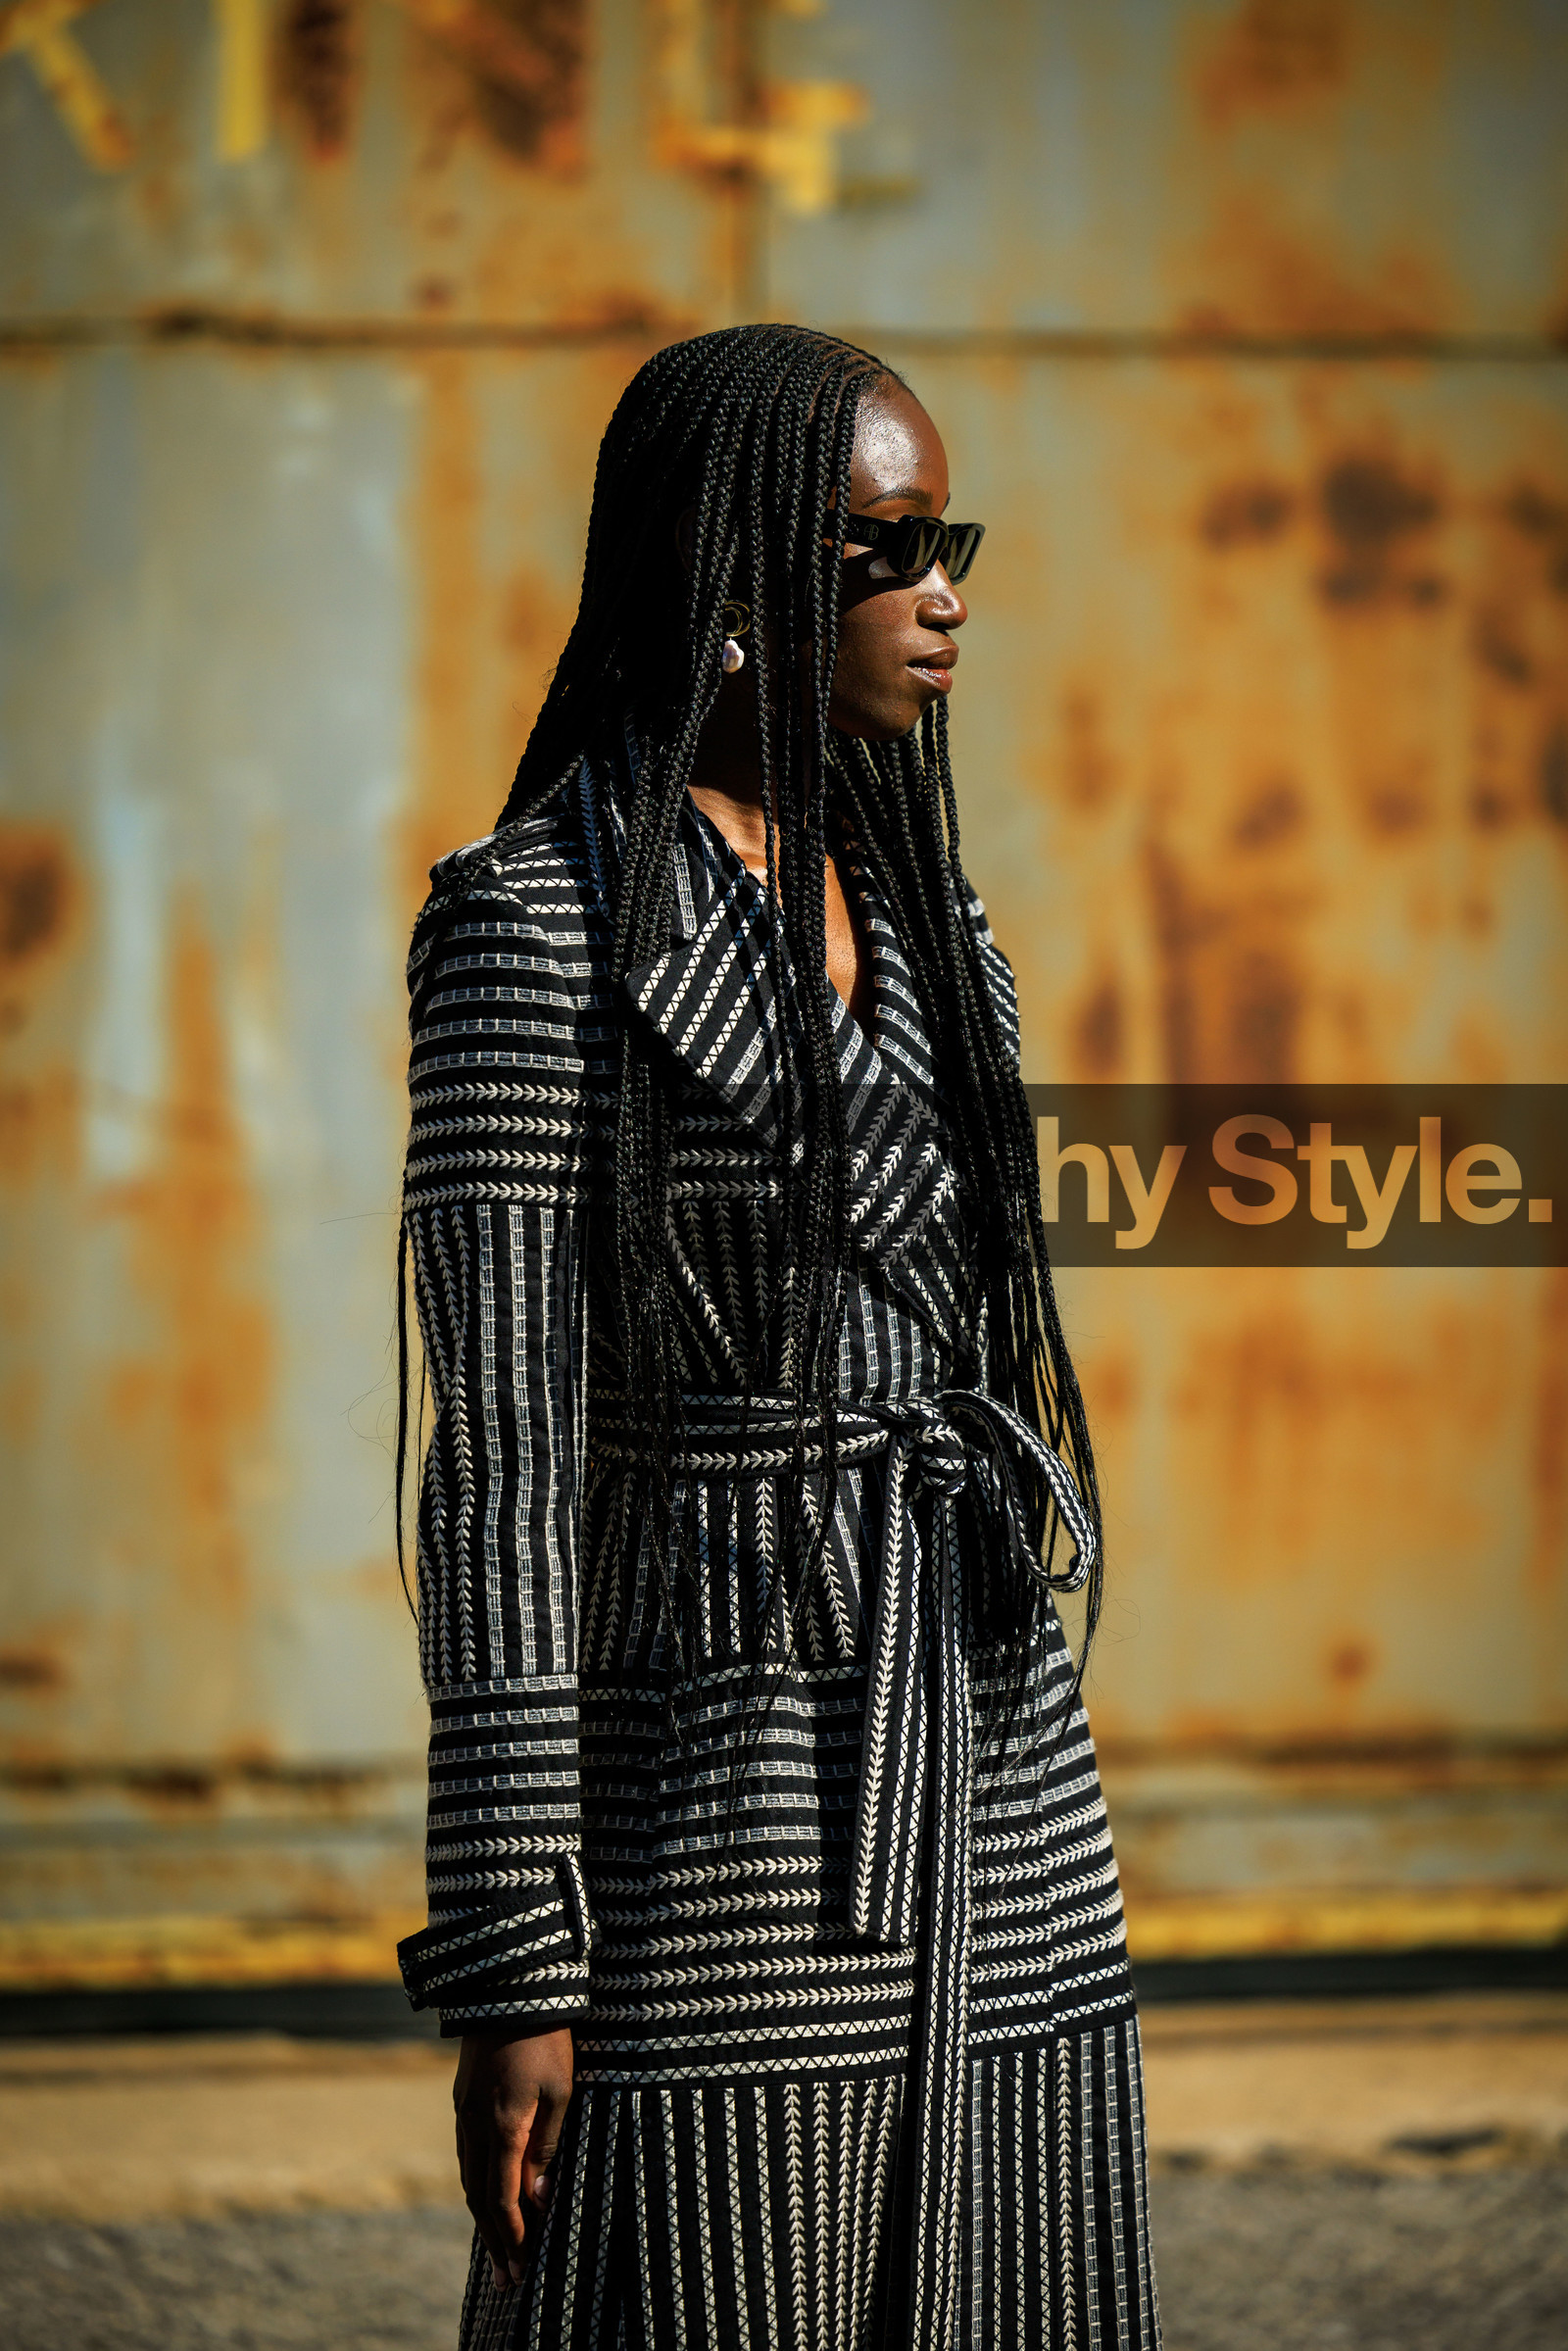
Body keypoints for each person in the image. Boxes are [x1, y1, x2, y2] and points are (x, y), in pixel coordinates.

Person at [395, 323, 1159, 2351]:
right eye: (883, 549)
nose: (944, 594)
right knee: (715, 2286)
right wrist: (511, 1958)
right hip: (717, 1786)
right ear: (733, 585)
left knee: (1025, 2284)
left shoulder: (928, 908)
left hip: (987, 1740)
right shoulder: (533, 926)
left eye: (948, 538)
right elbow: (502, 1480)